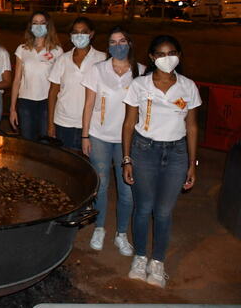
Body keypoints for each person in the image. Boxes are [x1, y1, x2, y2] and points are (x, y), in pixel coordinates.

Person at [122, 35, 200, 288]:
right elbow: (128, 124)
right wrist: (127, 159)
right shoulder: (139, 85)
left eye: (172, 53)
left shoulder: (188, 86)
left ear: (179, 55)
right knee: (143, 208)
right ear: (152, 58)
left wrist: (191, 163)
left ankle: (157, 262)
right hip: (144, 150)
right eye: (162, 54)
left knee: (164, 212)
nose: (168, 59)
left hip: (177, 153)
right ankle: (140, 257)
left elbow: (192, 126)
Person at [81, 26, 145, 256]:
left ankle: (120, 233)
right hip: (99, 135)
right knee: (101, 183)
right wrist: (85, 135)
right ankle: (99, 228)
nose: (118, 46)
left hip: (127, 140)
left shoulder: (141, 71)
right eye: (113, 42)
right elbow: (88, 104)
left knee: (127, 188)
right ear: (107, 46)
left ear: (130, 43)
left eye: (122, 41)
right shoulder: (97, 70)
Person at [47, 17, 106, 150]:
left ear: (91, 34)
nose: (79, 36)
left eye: (83, 32)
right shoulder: (62, 59)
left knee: (87, 166)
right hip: (63, 122)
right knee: (65, 164)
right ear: (70, 35)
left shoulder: (102, 59)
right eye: (75, 32)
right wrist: (50, 124)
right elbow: (53, 93)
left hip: (91, 124)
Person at [9, 11, 62, 140]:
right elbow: (17, 80)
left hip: (46, 102)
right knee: (28, 142)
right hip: (25, 102)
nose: (39, 26)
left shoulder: (57, 51)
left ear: (48, 26)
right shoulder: (22, 49)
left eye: (42, 23)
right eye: (35, 23)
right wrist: (12, 108)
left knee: (46, 142)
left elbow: (59, 83)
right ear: (30, 26)